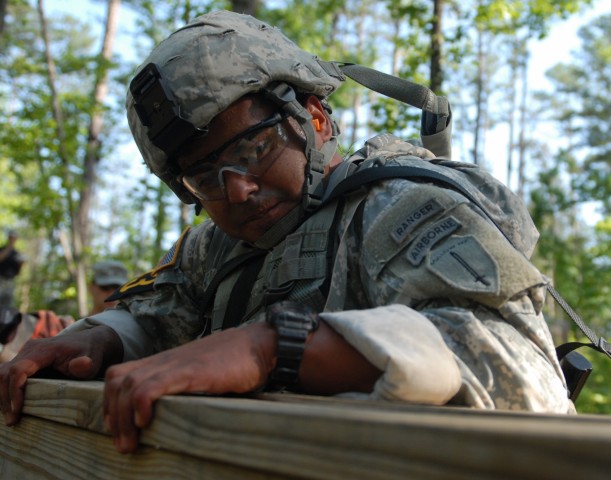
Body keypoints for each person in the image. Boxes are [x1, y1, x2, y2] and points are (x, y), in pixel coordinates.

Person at [0, 11, 574, 454]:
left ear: (315, 118)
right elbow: (157, 311)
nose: (238, 189)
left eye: (255, 147)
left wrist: (274, 346)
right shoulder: (218, 246)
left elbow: (523, 374)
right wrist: (98, 339)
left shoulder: (396, 207)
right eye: (205, 176)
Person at [0, 260, 128, 362]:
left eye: (118, 288)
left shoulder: (129, 333)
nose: (112, 293)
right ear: (92, 287)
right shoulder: (61, 324)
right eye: (105, 287)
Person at [0, 230, 25, 308]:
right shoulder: (2, 249)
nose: (12, 239)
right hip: (1, 279)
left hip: (10, 281)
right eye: (11, 237)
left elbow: (18, 273)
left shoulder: (16, 254)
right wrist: (9, 247)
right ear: (8, 238)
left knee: (6, 305)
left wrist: (21, 264)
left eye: (14, 238)